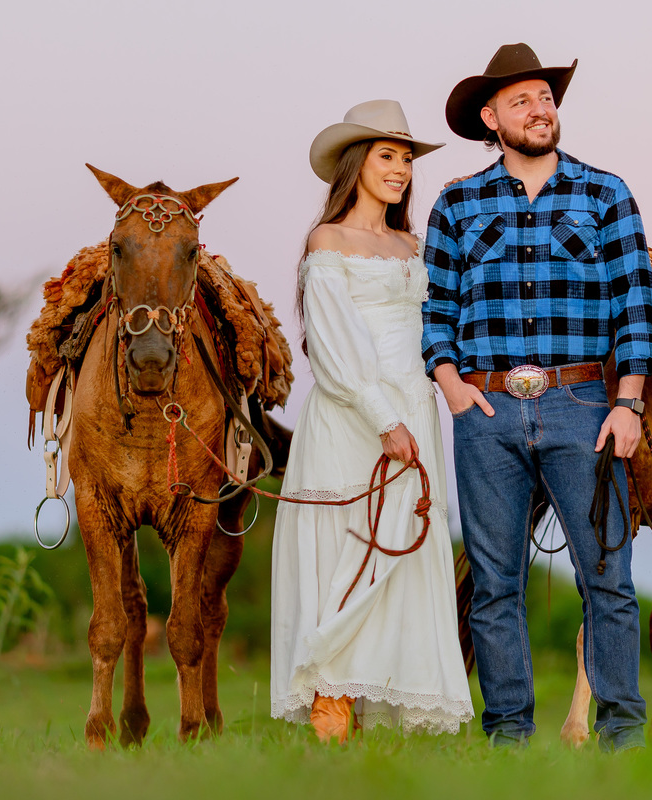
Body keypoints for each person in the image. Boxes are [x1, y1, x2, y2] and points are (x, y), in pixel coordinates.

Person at [422, 44, 652, 751]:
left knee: (607, 577)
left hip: (582, 404)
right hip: (486, 410)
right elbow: (436, 309)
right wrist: (450, 384)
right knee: (495, 585)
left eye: (546, 99)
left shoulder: (605, 195)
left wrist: (628, 402)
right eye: (522, 101)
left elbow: (637, 307)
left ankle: (623, 740)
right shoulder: (457, 203)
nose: (539, 111)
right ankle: (509, 741)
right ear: (491, 118)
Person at [271, 99, 474, 744]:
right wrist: (383, 418)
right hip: (354, 414)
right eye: (387, 156)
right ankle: (330, 704)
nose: (400, 170)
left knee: (402, 550)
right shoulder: (327, 241)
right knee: (348, 547)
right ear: (355, 163)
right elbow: (333, 344)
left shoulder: (413, 246)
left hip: (414, 406)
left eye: (407, 159)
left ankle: (374, 702)